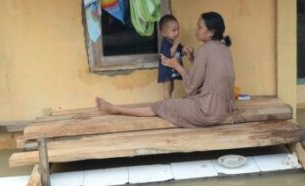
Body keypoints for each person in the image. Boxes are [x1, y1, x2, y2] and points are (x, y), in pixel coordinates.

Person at [96, 12, 235, 128]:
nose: (195, 29)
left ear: (211, 32)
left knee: (161, 106)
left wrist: (177, 66)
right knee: (177, 102)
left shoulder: (205, 49)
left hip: (208, 111)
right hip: (224, 110)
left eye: (199, 27)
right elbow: (207, 77)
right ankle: (115, 108)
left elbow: (191, 86)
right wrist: (193, 59)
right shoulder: (224, 48)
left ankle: (115, 109)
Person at [156, 14, 192, 100]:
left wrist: (186, 51)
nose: (177, 32)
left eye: (177, 29)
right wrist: (176, 44)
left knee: (171, 88)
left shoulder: (174, 41)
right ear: (164, 33)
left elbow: (179, 52)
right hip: (165, 71)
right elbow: (169, 54)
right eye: (173, 30)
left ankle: (168, 103)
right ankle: (167, 105)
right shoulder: (165, 43)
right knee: (167, 90)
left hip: (171, 71)